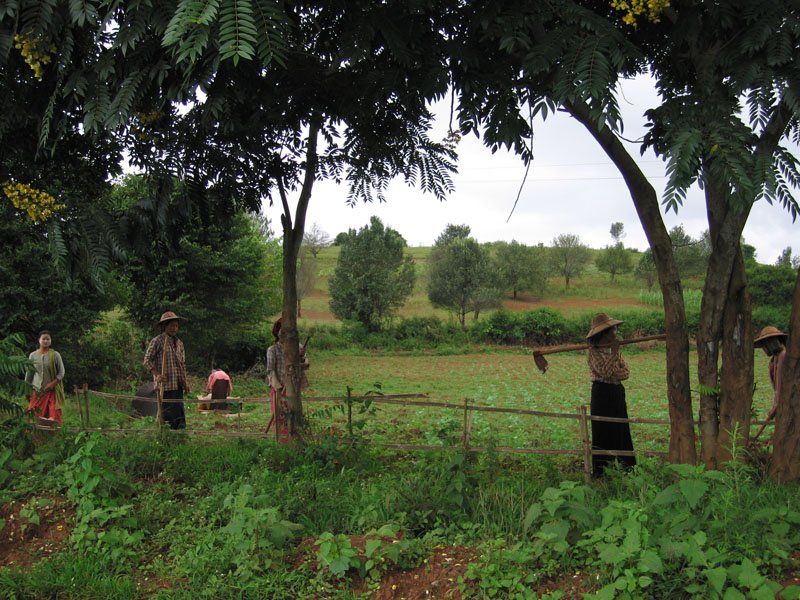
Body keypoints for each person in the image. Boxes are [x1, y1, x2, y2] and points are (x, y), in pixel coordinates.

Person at [586, 313, 636, 478]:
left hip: (616, 392)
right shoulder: (593, 352)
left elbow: (626, 372)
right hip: (601, 393)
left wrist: (614, 362)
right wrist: (614, 354)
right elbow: (605, 373)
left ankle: (626, 468)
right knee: (602, 431)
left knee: (621, 429)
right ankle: (601, 472)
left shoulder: (616, 351)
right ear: (605, 333)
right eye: (613, 330)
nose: (615, 332)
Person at [143, 311, 190, 429]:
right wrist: (157, 374)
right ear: (165, 326)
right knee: (167, 413)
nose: (174, 328)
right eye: (171, 325)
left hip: (177, 385)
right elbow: (147, 360)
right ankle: (167, 436)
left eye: (176, 326)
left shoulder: (179, 343)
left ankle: (180, 436)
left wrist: (185, 383)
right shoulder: (158, 341)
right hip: (165, 385)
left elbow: (182, 365)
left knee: (179, 412)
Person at [266, 317, 309, 443]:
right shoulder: (272, 350)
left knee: (295, 417)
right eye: (282, 331)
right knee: (280, 417)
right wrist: (278, 388)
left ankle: (296, 443)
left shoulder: (298, 348)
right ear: (278, 333)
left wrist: (298, 359)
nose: (285, 334)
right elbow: (270, 371)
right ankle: (282, 444)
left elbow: (306, 364)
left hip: (293, 390)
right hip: (279, 389)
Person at [753, 326, 788, 442]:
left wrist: (776, 404)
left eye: (764, 345)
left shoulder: (783, 356)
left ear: (770, 343)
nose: (763, 349)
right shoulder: (775, 358)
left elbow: (780, 384)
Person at [25, 330, 65, 425]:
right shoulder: (33, 355)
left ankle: (52, 438)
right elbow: (29, 374)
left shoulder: (55, 355)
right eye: (44, 339)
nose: (46, 341)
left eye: (48, 339)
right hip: (37, 391)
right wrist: (27, 390)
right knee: (34, 415)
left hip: (52, 391)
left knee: (53, 417)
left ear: (50, 341)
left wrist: (51, 384)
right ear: (39, 340)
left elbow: (61, 373)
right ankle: (36, 438)